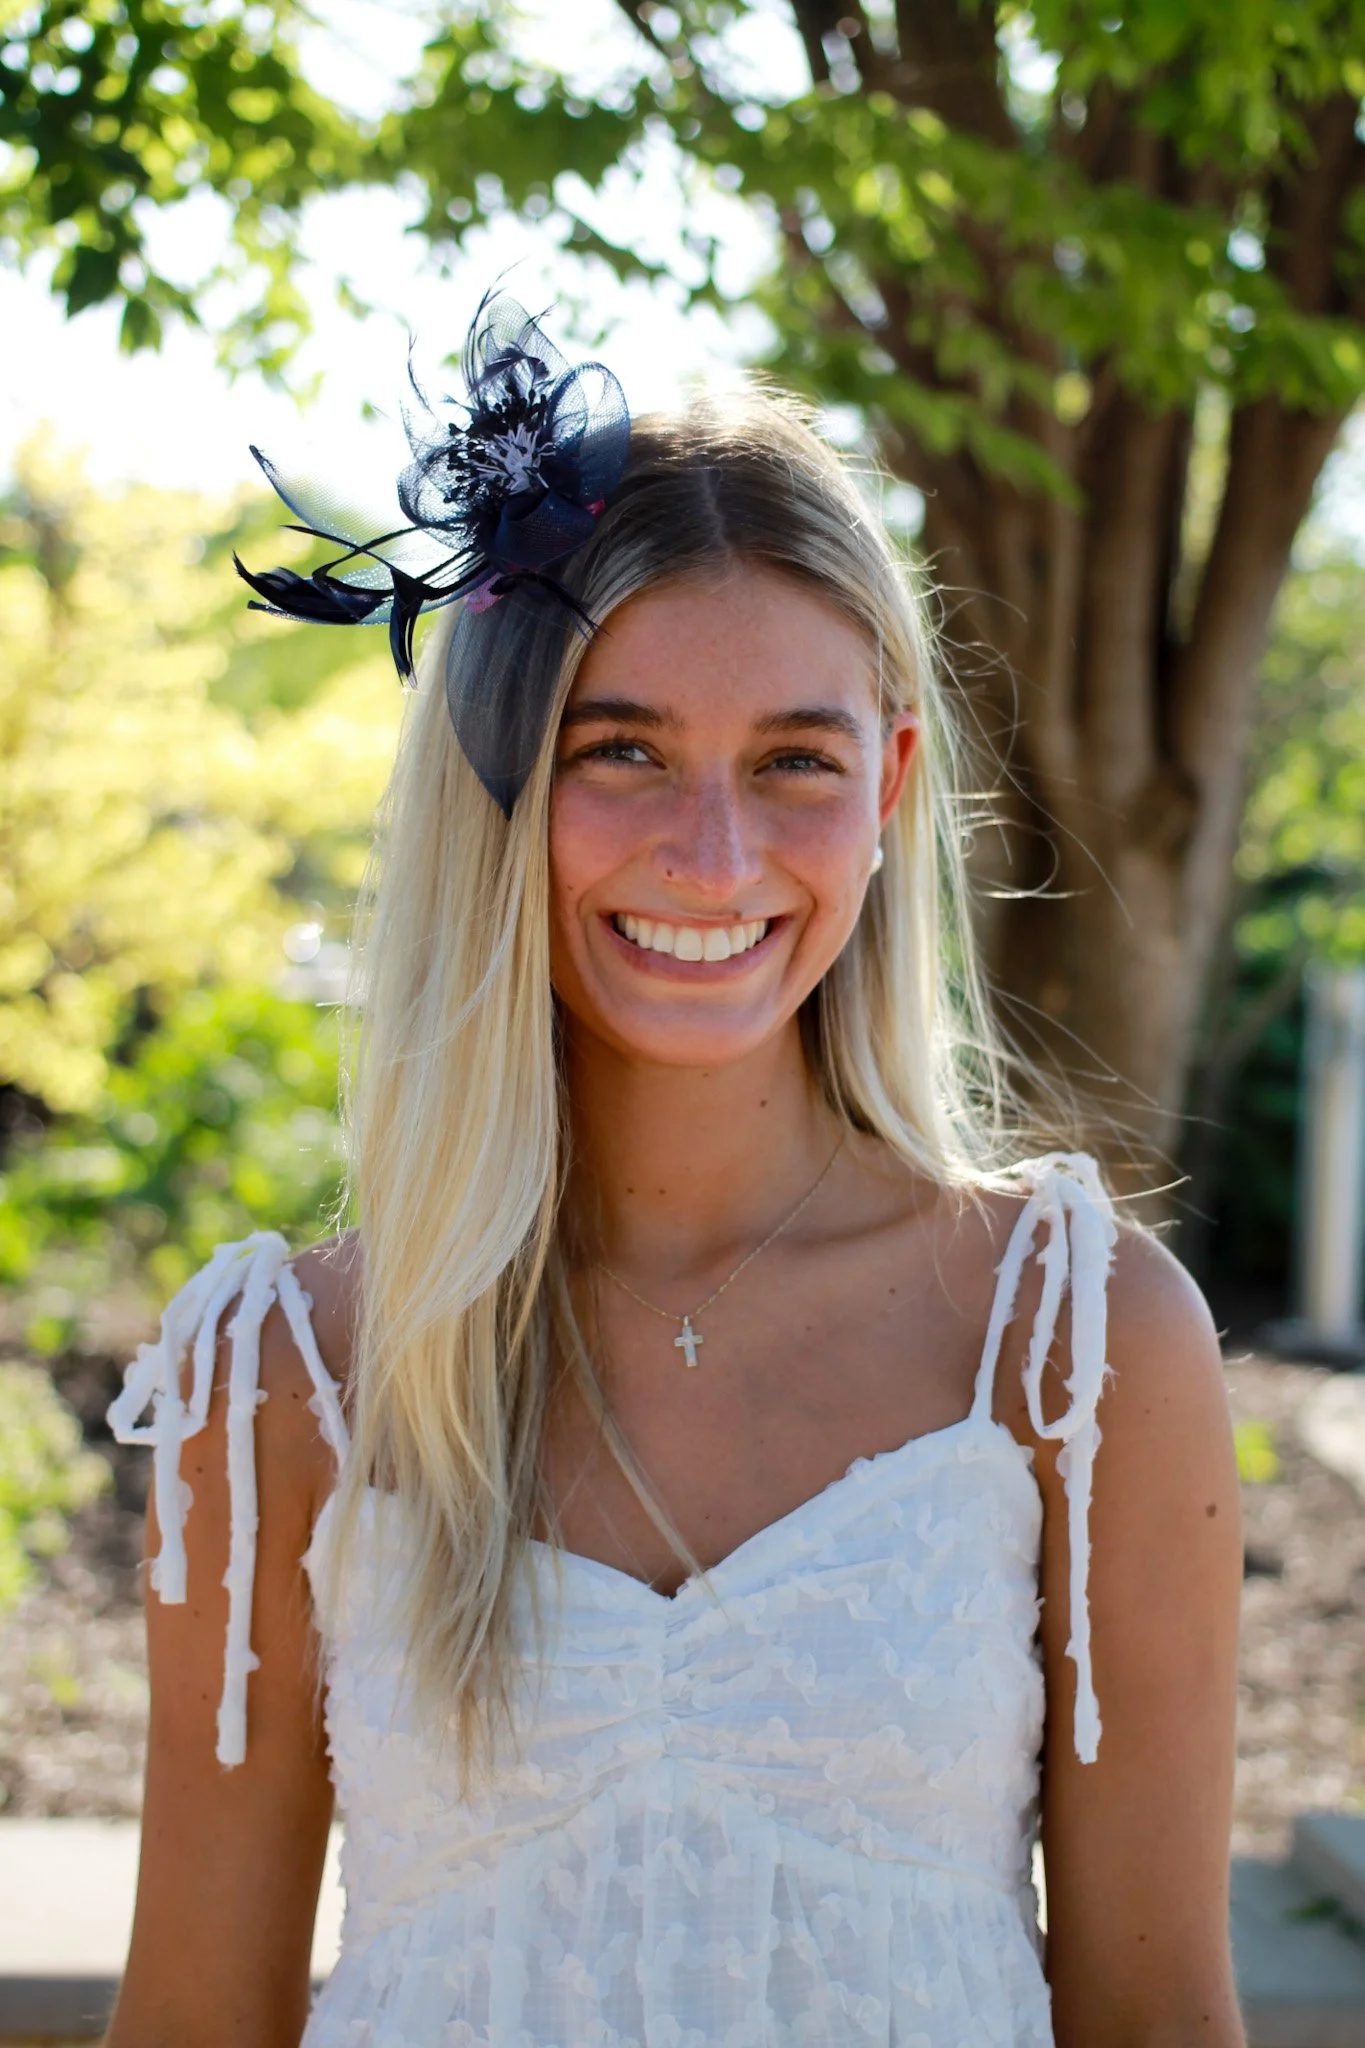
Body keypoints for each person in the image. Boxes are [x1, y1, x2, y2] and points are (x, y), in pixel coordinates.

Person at [105, 297, 1244, 2048]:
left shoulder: (1079, 1351)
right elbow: (194, 2022)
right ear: (495, 782)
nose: (712, 855)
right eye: (618, 749)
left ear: (891, 791)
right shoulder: (281, 1379)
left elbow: (1161, 2018)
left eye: (798, 759)